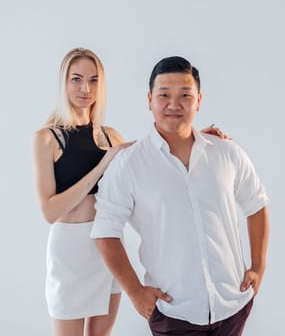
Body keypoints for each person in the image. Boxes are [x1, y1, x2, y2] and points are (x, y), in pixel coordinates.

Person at [33, 48, 230, 336]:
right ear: (63, 83)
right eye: (76, 79)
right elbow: (50, 212)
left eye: (93, 80)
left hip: (106, 245)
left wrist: (195, 137)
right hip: (70, 249)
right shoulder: (46, 138)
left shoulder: (111, 137)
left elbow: (149, 157)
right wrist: (102, 165)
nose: (85, 88)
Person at [91, 56, 270, 336]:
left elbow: (256, 203)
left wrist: (258, 266)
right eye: (164, 95)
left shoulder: (226, 153)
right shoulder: (129, 165)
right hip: (173, 312)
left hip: (232, 304)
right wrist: (135, 290)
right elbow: (105, 230)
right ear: (150, 99)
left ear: (198, 100)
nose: (174, 104)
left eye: (185, 95)